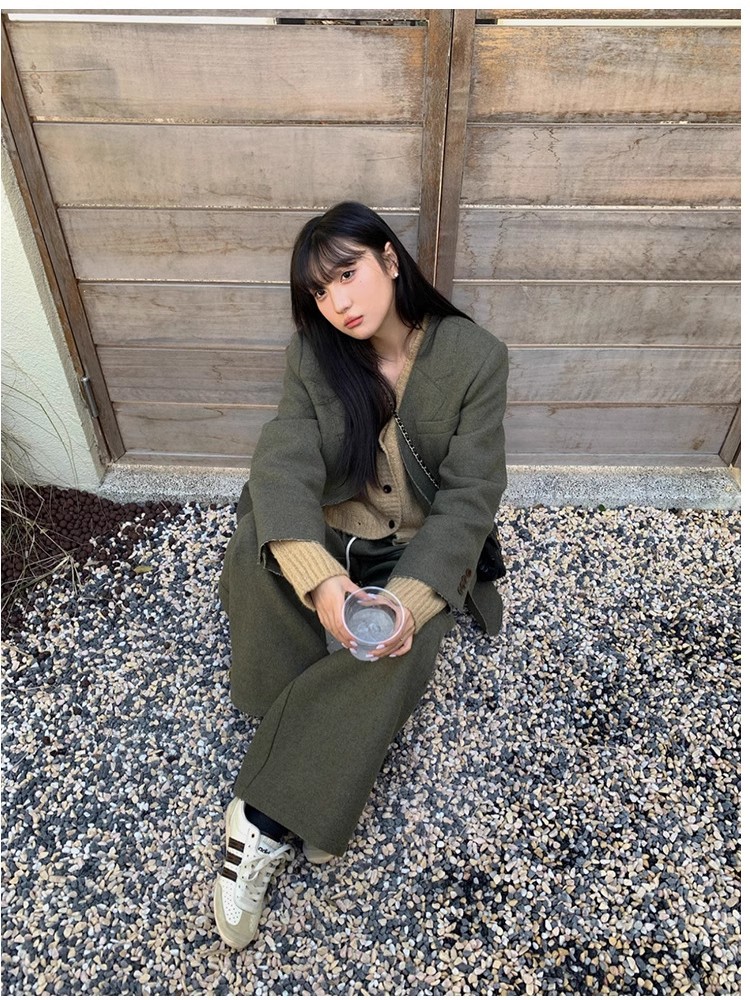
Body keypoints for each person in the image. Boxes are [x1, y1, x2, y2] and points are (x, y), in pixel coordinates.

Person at [215, 201, 509, 949]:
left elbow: (471, 498)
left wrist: (407, 600)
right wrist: (318, 579)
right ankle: (315, 746)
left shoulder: (475, 358)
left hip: (410, 548)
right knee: (260, 546)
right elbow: (282, 458)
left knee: (398, 643)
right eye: (320, 291)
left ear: (389, 258)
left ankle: (261, 818)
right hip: (333, 532)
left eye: (347, 274)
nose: (337, 302)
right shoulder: (313, 355)